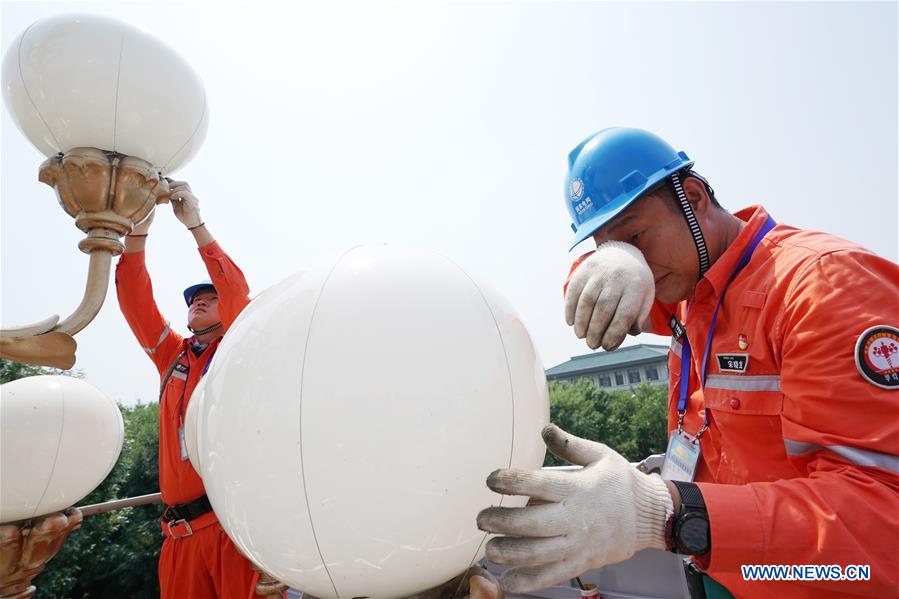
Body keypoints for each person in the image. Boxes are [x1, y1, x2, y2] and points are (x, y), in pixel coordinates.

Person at [476, 128, 899, 598]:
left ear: (693, 196)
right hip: (725, 569)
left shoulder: (823, 288)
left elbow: (883, 517)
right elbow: (592, 296)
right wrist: (614, 258)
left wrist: (673, 511)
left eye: (635, 235)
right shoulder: (686, 291)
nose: (634, 260)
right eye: (606, 247)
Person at [116, 180, 264, 598]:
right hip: (179, 536)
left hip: (231, 529)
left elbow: (237, 292)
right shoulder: (172, 356)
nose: (198, 300)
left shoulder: (239, 346)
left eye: (208, 297)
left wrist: (194, 224)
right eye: (193, 298)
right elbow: (134, 300)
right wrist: (138, 233)